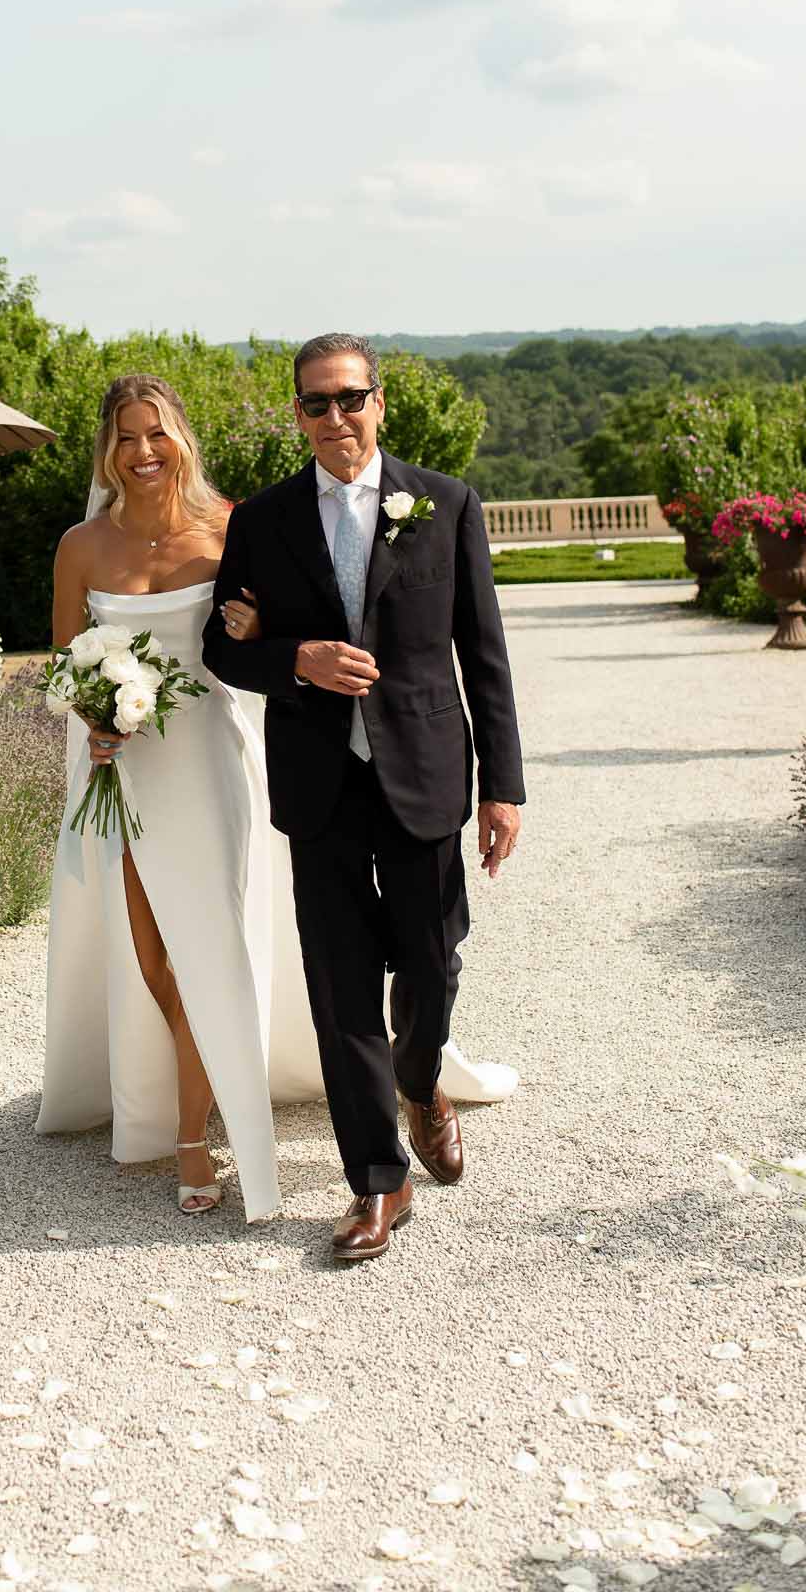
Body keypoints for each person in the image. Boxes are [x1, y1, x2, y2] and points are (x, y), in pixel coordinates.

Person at [202, 333, 526, 1263]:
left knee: (431, 965)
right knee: (340, 985)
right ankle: (376, 1184)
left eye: (349, 399)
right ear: (297, 415)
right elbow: (225, 648)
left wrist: (502, 787)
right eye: (316, 404)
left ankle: (421, 1083)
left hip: (424, 770)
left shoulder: (445, 504)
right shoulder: (259, 521)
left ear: (379, 404)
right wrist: (292, 659)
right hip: (319, 780)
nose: (335, 418)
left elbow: (484, 653)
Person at [35, 373, 323, 1221]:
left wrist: (252, 633)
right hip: (120, 773)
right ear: (107, 451)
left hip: (208, 762)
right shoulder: (81, 547)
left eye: (155, 433)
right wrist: (93, 718)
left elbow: (271, 639)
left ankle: (195, 1132)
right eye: (125, 437)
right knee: (151, 957)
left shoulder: (234, 528)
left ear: (181, 438)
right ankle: (199, 1088)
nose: (142, 452)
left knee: (208, 951)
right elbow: (63, 662)